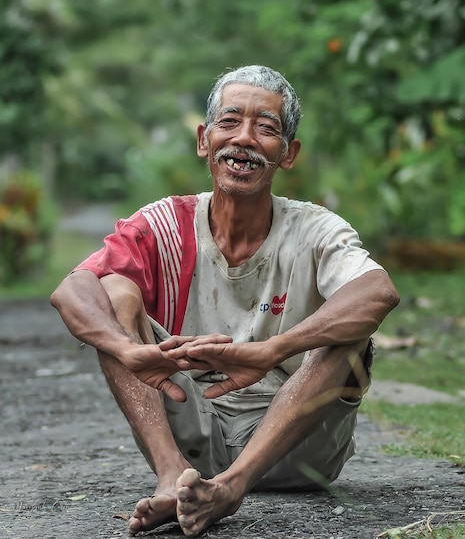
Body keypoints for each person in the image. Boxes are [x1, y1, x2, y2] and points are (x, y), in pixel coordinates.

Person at [50, 65, 400, 537]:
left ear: (288, 153)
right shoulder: (164, 224)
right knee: (111, 292)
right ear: (204, 139)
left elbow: (378, 292)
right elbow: (71, 290)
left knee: (351, 331)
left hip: (298, 444)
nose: (245, 139)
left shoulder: (317, 230)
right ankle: (171, 477)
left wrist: (272, 351)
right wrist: (127, 349)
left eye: (267, 128)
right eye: (230, 121)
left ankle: (231, 488)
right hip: (192, 432)